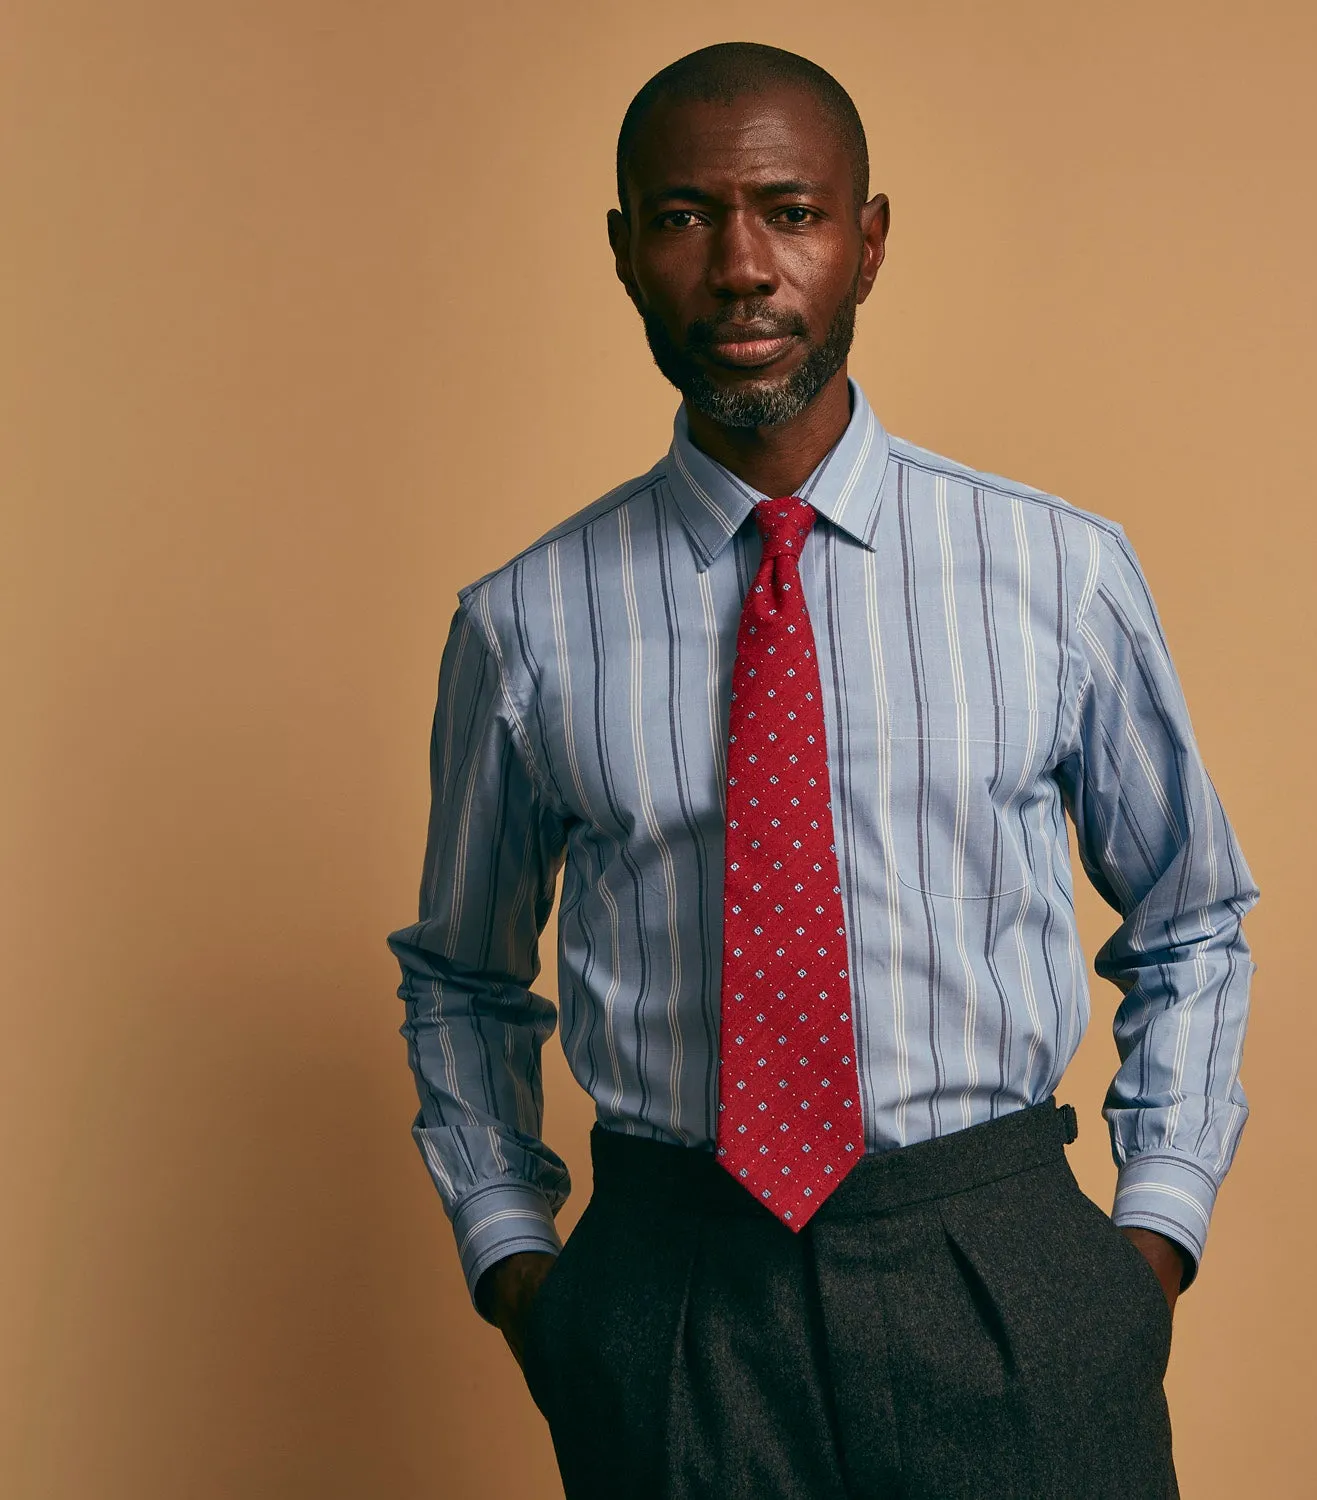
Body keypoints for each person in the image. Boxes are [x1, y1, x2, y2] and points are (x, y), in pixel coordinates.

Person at [388, 40, 1257, 1500]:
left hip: (999, 1267)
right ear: (624, 251)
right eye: (684, 217)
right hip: (670, 1290)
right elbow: (462, 976)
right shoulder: (523, 623)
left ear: (869, 241)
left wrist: (1147, 1249)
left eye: (791, 213)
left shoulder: (1057, 574)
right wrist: (521, 1269)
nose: (742, 267)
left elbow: (1191, 917)